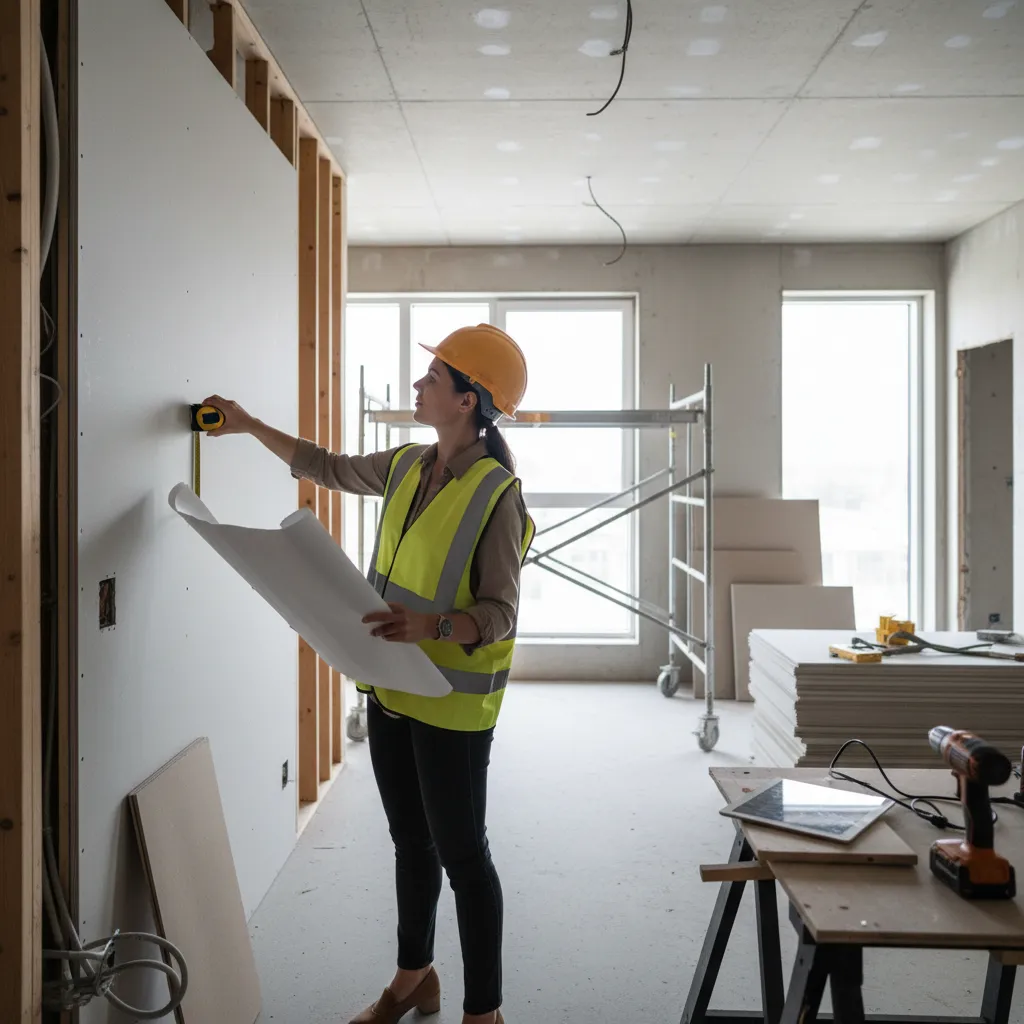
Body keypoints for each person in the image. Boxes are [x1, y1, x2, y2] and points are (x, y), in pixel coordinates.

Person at [204, 324, 534, 1024]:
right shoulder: (409, 465)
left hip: (450, 704)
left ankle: (486, 1013)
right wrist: (244, 424)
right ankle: (414, 978)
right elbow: (325, 466)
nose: (418, 386)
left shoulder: (497, 494)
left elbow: (500, 614)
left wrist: (434, 626)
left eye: (433, 378)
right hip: (389, 688)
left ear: (468, 401)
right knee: (410, 842)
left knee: (465, 859)